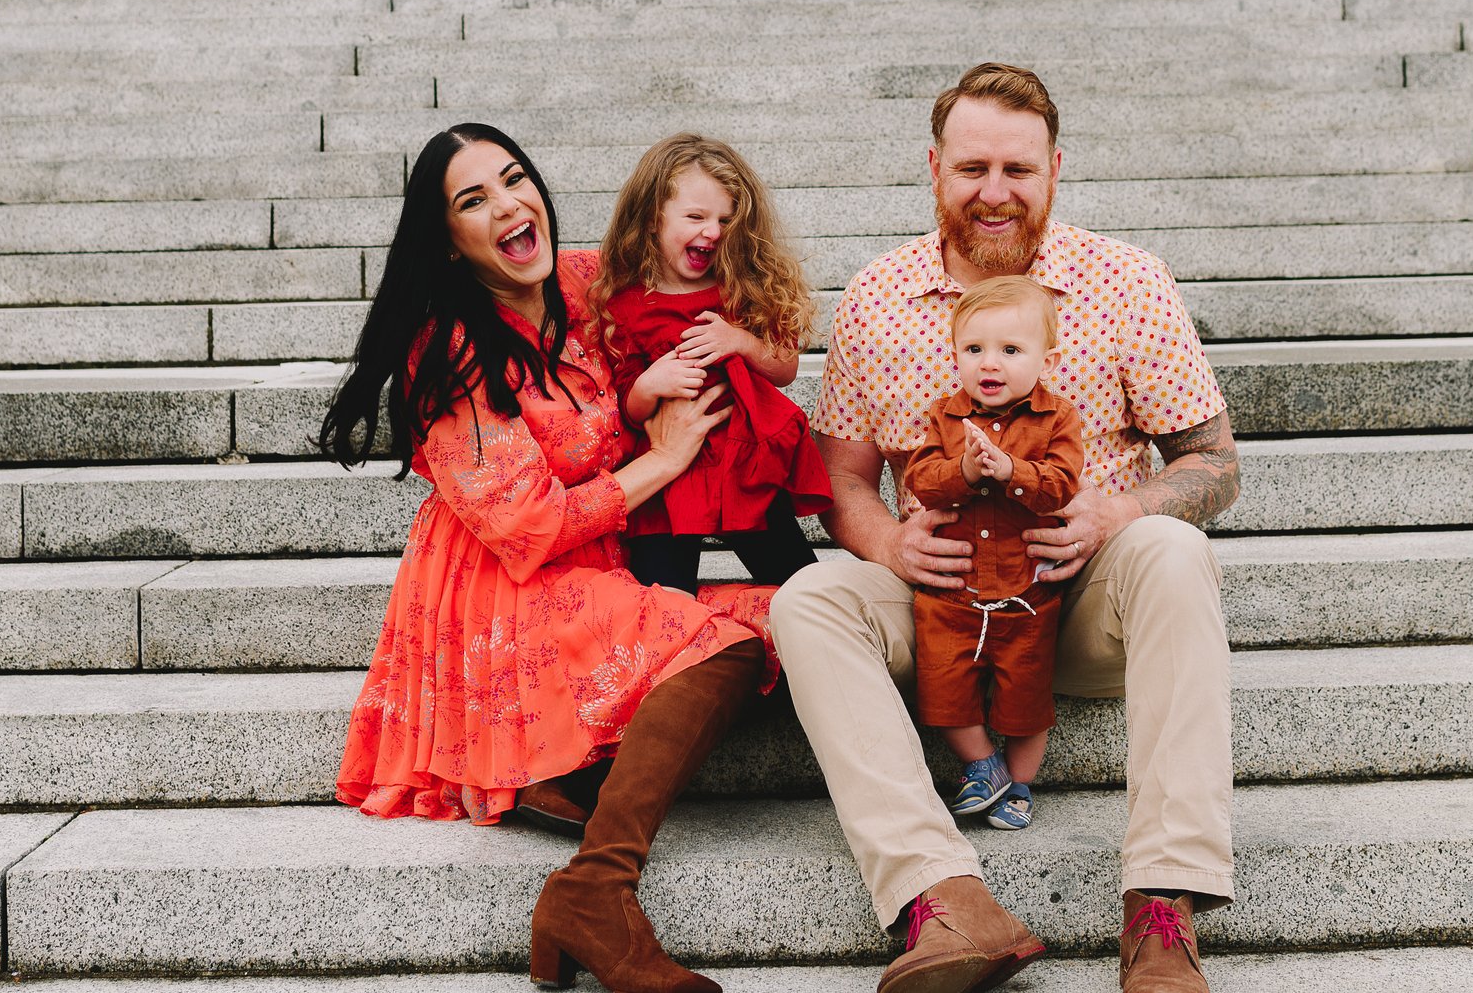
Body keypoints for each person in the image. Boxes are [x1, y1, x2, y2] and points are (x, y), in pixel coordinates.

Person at [769, 63, 1240, 993]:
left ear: (1055, 169)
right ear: (934, 167)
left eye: (1018, 169)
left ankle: (1162, 908)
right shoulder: (876, 297)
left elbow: (1215, 462)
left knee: (1175, 548)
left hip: (1082, 598)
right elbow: (840, 478)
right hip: (946, 607)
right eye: (973, 166)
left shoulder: (1127, 281)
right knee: (810, 598)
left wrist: (1120, 508)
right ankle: (943, 903)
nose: (995, 192)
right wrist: (886, 542)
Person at [328, 122, 770, 993]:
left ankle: (569, 786)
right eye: (472, 200)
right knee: (729, 641)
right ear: (448, 243)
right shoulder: (447, 348)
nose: (507, 205)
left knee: (791, 616)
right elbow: (526, 525)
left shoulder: (584, 282)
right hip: (505, 583)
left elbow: (694, 248)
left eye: (514, 178)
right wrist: (665, 459)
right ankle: (595, 890)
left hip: (602, 555)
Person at [593, 133, 833, 593]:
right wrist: (649, 384)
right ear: (651, 219)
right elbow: (625, 406)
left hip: (745, 466)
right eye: (696, 217)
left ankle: (809, 650)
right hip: (669, 479)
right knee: (663, 598)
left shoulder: (741, 289)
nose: (714, 232)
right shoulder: (625, 303)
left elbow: (784, 368)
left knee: (801, 586)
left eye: (726, 220)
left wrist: (741, 341)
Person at [898, 275, 1083, 834]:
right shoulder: (943, 417)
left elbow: (1062, 485)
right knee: (941, 688)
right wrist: (965, 472)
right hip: (952, 594)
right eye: (973, 349)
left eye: (1010, 350)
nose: (989, 364)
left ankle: (1019, 785)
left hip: (1028, 593)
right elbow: (921, 480)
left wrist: (1011, 472)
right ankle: (984, 767)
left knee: (1025, 699)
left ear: (1045, 356)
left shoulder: (1058, 419)